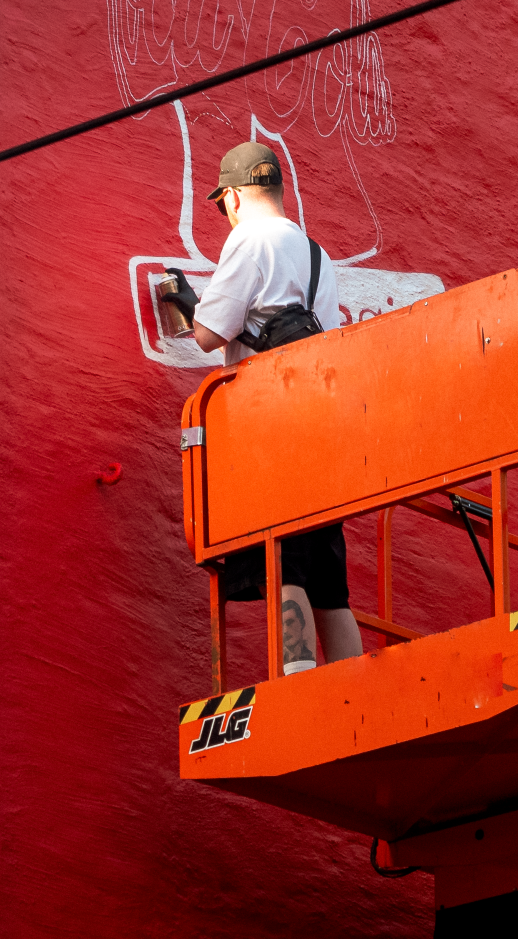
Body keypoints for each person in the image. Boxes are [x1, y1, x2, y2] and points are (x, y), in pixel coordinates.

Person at [158, 141, 361, 674]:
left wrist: (186, 300)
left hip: (267, 420)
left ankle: (297, 684)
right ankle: (351, 681)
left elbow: (206, 335)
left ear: (231, 198)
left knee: (282, 559)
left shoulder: (248, 241)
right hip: (318, 418)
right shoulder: (318, 255)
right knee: (328, 572)